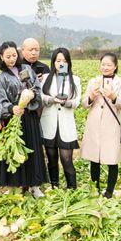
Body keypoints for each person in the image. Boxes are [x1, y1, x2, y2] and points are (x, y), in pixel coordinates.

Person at [0, 41, 48, 197]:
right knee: (14, 150)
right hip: (14, 119)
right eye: (8, 56)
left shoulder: (27, 69)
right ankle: (13, 185)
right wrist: (12, 108)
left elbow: (37, 89)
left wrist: (30, 97)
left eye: (14, 55)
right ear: (1, 57)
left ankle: (35, 186)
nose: (12, 59)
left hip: (29, 116)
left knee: (33, 151)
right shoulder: (2, 77)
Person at [80, 52, 121, 198]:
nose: (105, 67)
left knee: (112, 159)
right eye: (103, 64)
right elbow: (84, 104)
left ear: (115, 66)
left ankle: (109, 191)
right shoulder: (93, 81)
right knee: (94, 158)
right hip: (94, 124)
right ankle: (96, 188)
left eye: (109, 65)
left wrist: (113, 96)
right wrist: (92, 96)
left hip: (111, 124)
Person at [40, 47, 81, 189]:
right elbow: (40, 97)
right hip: (48, 122)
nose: (61, 63)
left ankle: (72, 187)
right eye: (58, 60)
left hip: (66, 124)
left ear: (69, 63)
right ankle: (54, 186)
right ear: (53, 62)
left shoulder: (74, 79)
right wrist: (52, 99)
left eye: (64, 61)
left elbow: (76, 102)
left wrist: (66, 102)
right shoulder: (45, 78)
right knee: (51, 159)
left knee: (66, 159)